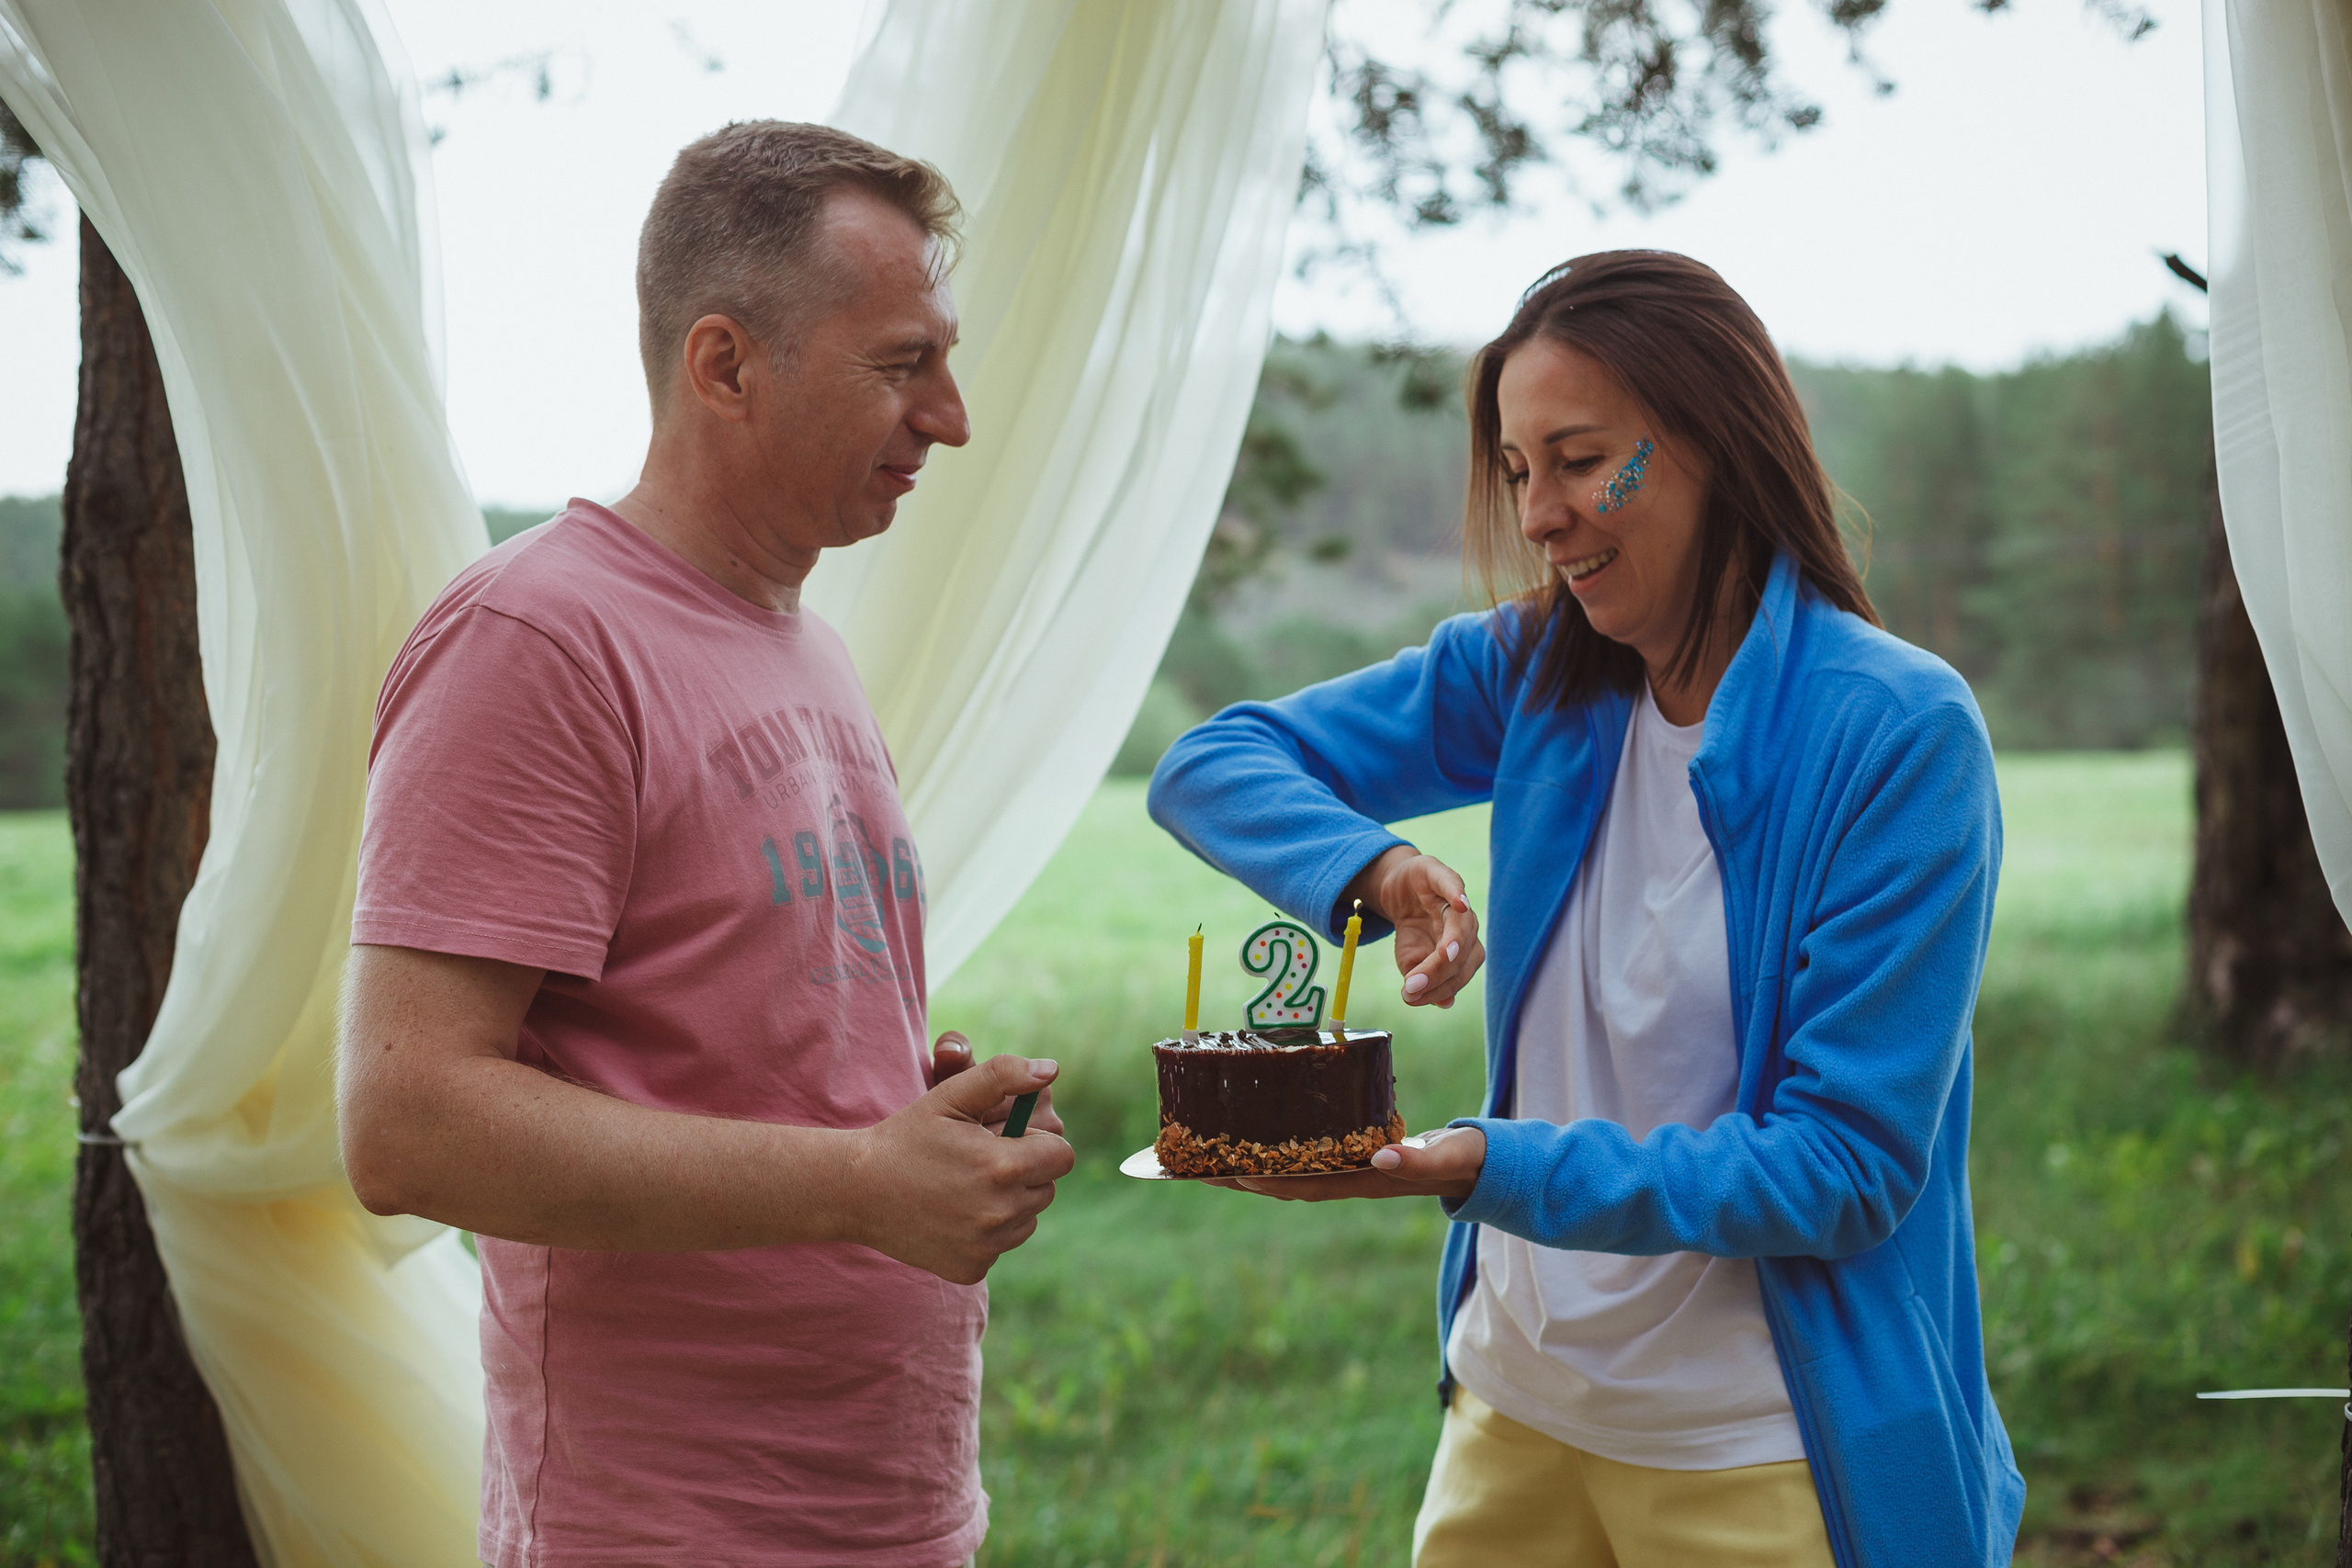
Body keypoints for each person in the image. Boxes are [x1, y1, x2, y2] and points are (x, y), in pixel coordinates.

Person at [1148, 251, 2019, 1567]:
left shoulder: (1894, 734)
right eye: (1515, 469)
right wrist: (1380, 872)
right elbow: (1210, 765)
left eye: (1579, 458)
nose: (1540, 513)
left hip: (1760, 1454)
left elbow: (1841, 1168)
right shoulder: (1533, 668)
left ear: (1713, 444)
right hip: (1514, 1410)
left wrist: (1490, 1165)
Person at [336, 121, 1073, 1568]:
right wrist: (862, 1180)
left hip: (885, 1504)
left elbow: (727, 1043)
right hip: (666, 1525)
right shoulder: (536, 641)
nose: (954, 418)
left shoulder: (808, 645)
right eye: (902, 363)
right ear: (725, 364)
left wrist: (905, 1114)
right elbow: (405, 1119)